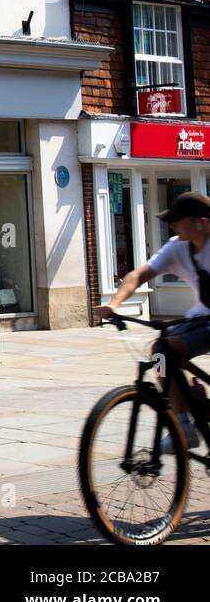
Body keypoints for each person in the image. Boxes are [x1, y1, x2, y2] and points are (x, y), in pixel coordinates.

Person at [98, 191, 210, 452]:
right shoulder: (177, 247)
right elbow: (138, 275)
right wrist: (114, 304)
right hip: (201, 318)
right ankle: (184, 425)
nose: (172, 226)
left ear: (200, 222)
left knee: (169, 350)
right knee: (161, 352)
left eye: (177, 220)